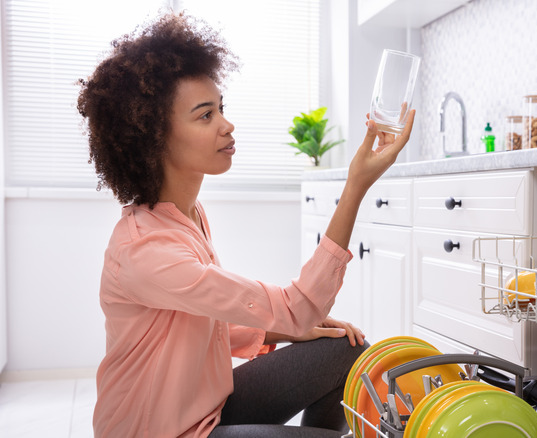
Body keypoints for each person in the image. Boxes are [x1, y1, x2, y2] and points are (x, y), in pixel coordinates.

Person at [77, 12, 414, 438]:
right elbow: (298, 305)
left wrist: (296, 330)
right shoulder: (145, 251)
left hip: (206, 410)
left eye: (221, 108)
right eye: (205, 116)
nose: (226, 124)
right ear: (154, 137)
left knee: (344, 351)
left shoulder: (188, 216)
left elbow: (204, 321)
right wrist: (356, 184)